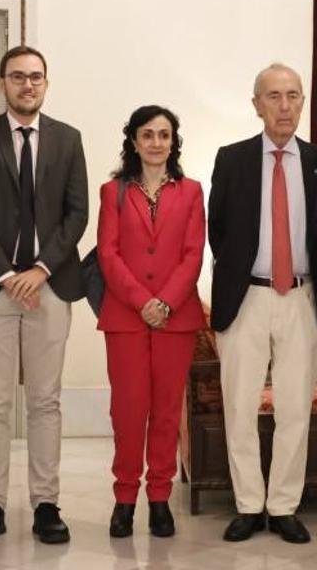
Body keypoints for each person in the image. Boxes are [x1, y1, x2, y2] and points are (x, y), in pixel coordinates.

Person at [0, 45, 89, 546]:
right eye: (17, 77)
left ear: (46, 84)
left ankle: (46, 503)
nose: (27, 85)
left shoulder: (68, 139)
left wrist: (40, 268)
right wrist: (9, 274)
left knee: (45, 400)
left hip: (51, 285)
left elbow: (77, 214)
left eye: (35, 77)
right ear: (1, 84)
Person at [209, 65, 317, 544]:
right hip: (247, 297)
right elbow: (217, 229)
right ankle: (247, 505)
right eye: (274, 96)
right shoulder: (232, 158)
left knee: (295, 410)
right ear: (256, 104)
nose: (284, 106)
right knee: (239, 407)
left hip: (302, 297)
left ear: (303, 103)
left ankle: (282, 506)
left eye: (293, 96)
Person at [97, 105, 204, 539]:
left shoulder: (192, 190)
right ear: (134, 141)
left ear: (173, 142)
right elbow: (108, 253)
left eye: (164, 135)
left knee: (165, 411)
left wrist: (166, 302)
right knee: (128, 411)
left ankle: (159, 499)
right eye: (148, 135)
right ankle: (125, 499)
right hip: (125, 317)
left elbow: (194, 253)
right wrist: (143, 301)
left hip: (176, 319)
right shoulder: (113, 191)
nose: (157, 143)